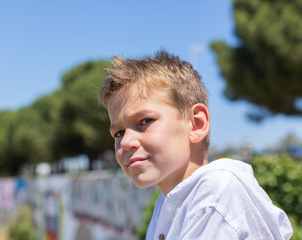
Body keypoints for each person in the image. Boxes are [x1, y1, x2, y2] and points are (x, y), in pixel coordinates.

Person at [98, 50, 293, 239]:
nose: (126, 142)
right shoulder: (167, 205)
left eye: (145, 121)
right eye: (119, 133)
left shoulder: (214, 194)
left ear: (196, 124)